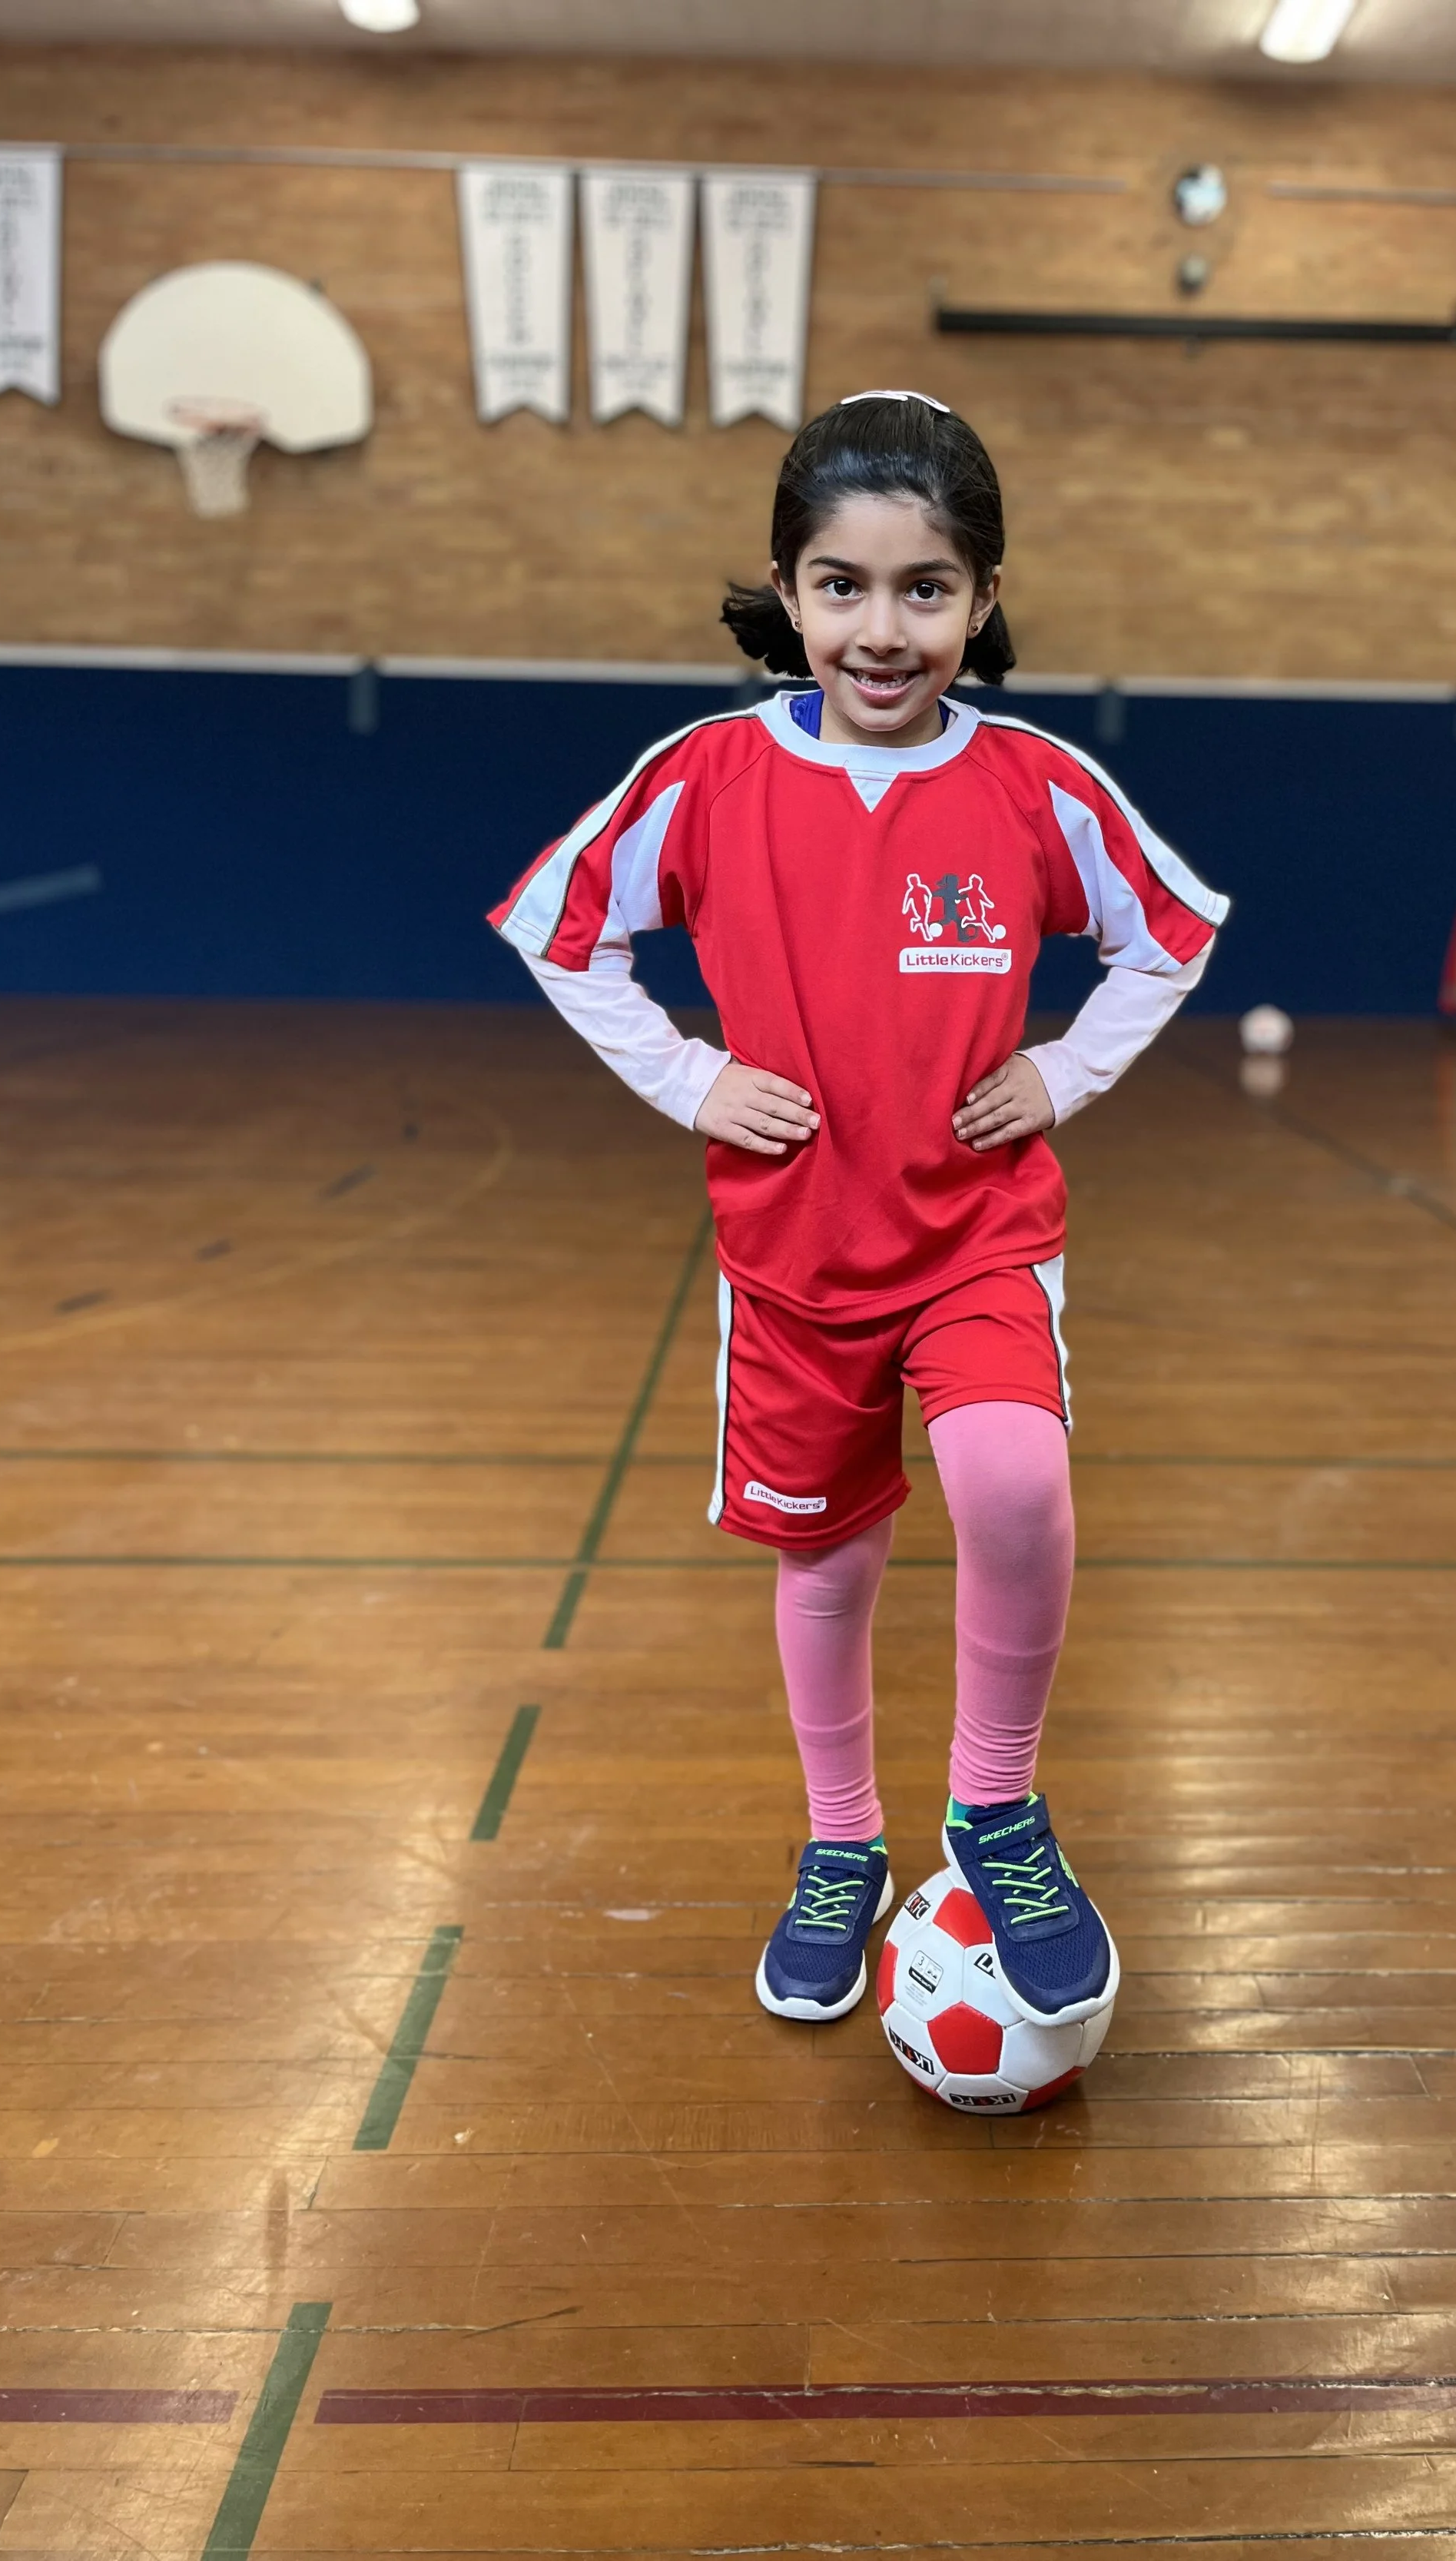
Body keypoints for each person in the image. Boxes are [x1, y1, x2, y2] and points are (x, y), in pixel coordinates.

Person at [489, 390, 1225, 2031]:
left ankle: (994, 1807)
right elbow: (558, 927)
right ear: (786, 587)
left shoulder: (1034, 785)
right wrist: (689, 1077)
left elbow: (1170, 932)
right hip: (796, 1251)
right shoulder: (706, 776)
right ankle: (841, 1841)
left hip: (976, 1232)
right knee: (827, 1560)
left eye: (924, 589)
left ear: (981, 597)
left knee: (1014, 1483)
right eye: (842, 586)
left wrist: (1064, 1070)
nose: (882, 631)